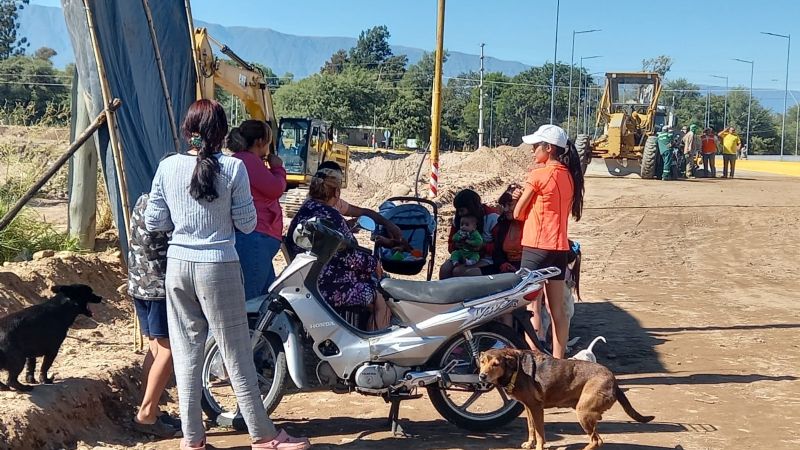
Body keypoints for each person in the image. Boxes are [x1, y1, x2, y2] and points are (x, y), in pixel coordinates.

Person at [144, 99, 309, 450]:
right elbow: (248, 223)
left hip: (178, 266)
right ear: (222, 132)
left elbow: (154, 221)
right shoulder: (233, 169)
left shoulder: (168, 166)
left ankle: (192, 440)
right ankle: (263, 437)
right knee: (236, 352)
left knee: (187, 355)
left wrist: (184, 221)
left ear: (188, 131)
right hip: (218, 264)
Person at [284, 167, 392, 331]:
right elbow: (347, 256)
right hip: (328, 285)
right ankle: (375, 346)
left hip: (307, 278)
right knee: (380, 296)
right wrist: (373, 263)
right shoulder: (331, 215)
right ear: (336, 192)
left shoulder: (306, 209)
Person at [513, 124, 585, 359]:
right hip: (559, 248)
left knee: (529, 305)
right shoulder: (570, 176)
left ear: (549, 148)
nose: (533, 151)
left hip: (536, 246)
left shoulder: (539, 175)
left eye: (536, 146)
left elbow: (517, 213)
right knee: (557, 311)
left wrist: (522, 200)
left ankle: (534, 356)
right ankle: (557, 359)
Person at [128, 193, 180, 438]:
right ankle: (147, 414)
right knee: (168, 352)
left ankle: (150, 407)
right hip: (158, 287)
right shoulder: (166, 207)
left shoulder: (142, 199)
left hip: (139, 284)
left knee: (155, 350)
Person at [227, 120, 287, 299]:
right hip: (255, 237)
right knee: (251, 301)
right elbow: (275, 188)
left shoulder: (246, 161)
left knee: (265, 299)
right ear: (261, 141)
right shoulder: (247, 161)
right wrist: (278, 168)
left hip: (258, 238)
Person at [315, 160, 405, 248]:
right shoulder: (331, 213)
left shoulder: (310, 206)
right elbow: (351, 252)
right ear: (336, 191)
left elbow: (363, 212)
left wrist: (388, 224)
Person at [439, 189, 499, 279]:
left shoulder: (492, 218)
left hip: (486, 258)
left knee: (459, 271)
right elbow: (451, 243)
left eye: (462, 210)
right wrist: (456, 244)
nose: (459, 213)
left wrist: (482, 246)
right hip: (463, 253)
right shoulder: (459, 219)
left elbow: (500, 247)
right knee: (445, 269)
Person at [490, 185, 524, 274]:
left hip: (527, 269)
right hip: (506, 267)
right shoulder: (503, 223)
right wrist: (503, 264)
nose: (506, 209)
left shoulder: (532, 224)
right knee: (469, 272)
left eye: (510, 205)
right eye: (504, 205)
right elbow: (497, 251)